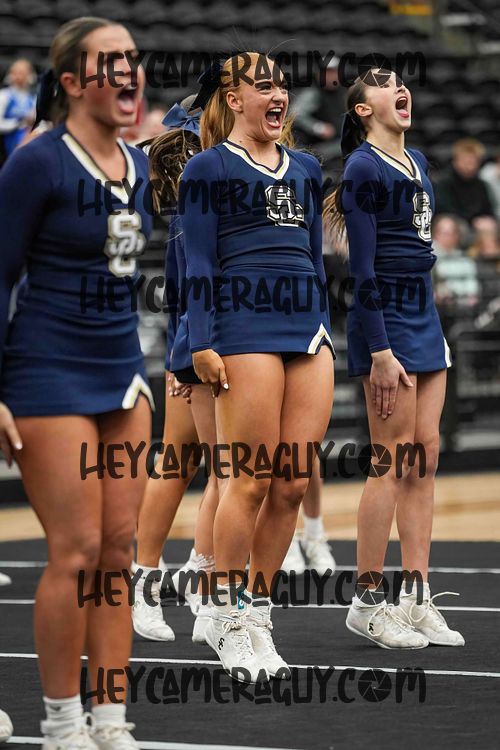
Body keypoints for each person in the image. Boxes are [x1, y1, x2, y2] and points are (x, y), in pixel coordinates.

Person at [0, 17, 154, 749]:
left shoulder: (140, 164)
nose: (128, 71)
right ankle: (62, 724)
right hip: (47, 371)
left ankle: (111, 721)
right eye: (109, 61)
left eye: (133, 58)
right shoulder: (37, 163)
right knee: (77, 550)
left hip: (122, 374)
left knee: (120, 552)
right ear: (70, 82)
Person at [180, 52, 335, 682]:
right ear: (233, 98)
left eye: (282, 86)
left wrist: (324, 326)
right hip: (243, 328)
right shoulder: (208, 167)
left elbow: (315, 258)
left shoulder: (306, 167)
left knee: (292, 483)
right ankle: (226, 613)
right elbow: (198, 262)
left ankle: (258, 611)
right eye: (263, 85)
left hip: (307, 330)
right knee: (248, 481)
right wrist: (200, 341)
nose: (278, 96)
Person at [324, 68, 464, 649]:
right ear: (362, 109)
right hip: (384, 318)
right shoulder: (364, 168)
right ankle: (366, 600)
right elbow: (362, 270)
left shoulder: (418, 161)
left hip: (422, 315)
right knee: (391, 458)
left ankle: (416, 593)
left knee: (424, 456)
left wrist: (431, 324)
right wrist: (380, 349)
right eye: (383, 85)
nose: (399, 88)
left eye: (401, 82)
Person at [133, 97, 219, 645]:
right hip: (199, 340)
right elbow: (182, 282)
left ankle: (199, 569)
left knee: (217, 464)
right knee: (184, 460)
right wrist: (181, 354)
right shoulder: (198, 191)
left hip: (231, 336)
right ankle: (147, 578)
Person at [435, 138, 494, 224]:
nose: (470, 166)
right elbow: (445, 210)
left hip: (477, 224)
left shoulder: (482, 184)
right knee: (447, 223)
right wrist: (471, 220)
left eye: (473, 162)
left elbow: (488, 210)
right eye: (466, 162)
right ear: (455, 161)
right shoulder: (443, 182)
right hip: (455, 222)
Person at [0, 58, 36, 161]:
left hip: (28, 145)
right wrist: (18, 123)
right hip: (7, 148)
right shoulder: (4, 96)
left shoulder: (33, 99)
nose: (19, 77)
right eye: (15, 73)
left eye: (22, 73)